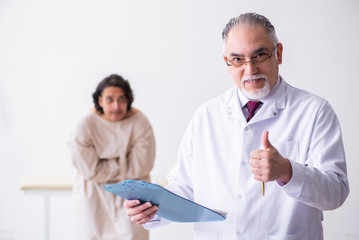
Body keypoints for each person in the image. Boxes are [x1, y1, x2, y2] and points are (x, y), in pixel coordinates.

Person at [124, 13, 349, 239]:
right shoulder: (206, 115)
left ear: (278, 54)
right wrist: (150, 208)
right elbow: (184, 187)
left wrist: (287, 171)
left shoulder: (314, 111)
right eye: (238, 59)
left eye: (259, 55)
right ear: (227, 63)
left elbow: (336, 192)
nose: (250, 70)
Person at [68, 74, 156, 240]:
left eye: (121, 99)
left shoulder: (140, 122)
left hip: (132, 193)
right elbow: (90, 170)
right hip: (93, 195)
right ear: (100, 101)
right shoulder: (85, 123)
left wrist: (103, 163)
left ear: (128, 100)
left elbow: (141, 166)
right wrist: (122, 163)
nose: (116, 106)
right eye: (110, 99)